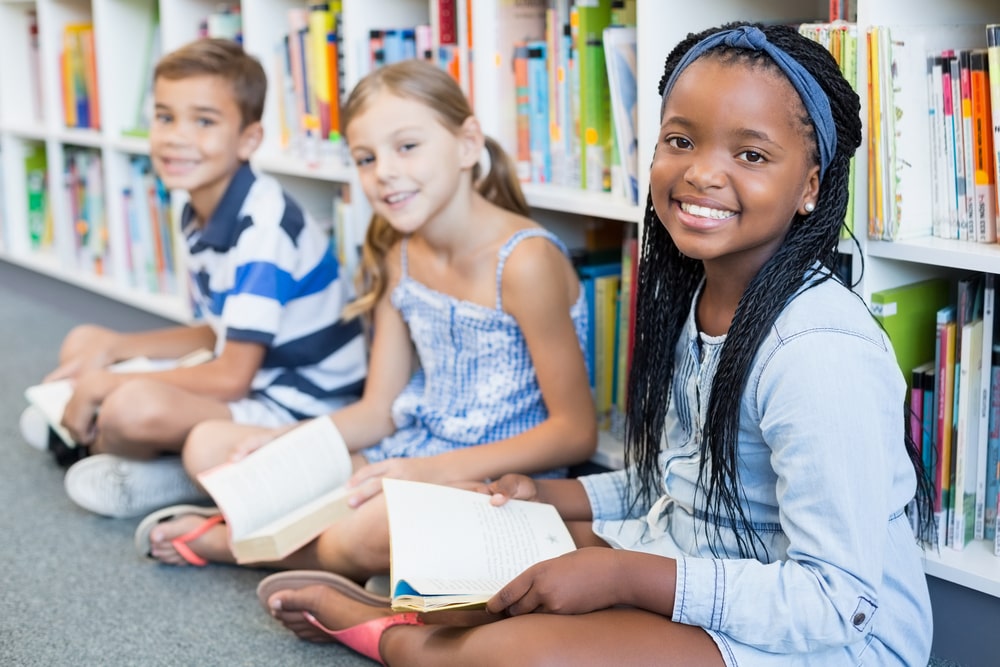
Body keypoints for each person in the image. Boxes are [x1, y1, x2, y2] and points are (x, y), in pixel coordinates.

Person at [256, 22, 936, 667]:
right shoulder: (699, 297)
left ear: (811, 184)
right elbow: (681, 487)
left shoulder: (818, 351)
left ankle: (389, 636)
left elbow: (837, 601)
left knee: (522, 652)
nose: (701, 173)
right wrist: (549, 497)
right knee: (494, 572)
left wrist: (622, 575)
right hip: (697, 558)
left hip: (831, 642)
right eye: (680, 141)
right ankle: (413, 618)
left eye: (750, 154)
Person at [136, 59, 597, 574]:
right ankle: (298, 535)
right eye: (365, 158)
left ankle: (224, 542)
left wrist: (425, 472)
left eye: (407, 147)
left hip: (495, 474)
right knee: (212, 445)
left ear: (467, 143)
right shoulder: (398, 257)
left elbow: (575, 433)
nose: (385, 174)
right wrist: (287, 443)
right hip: (407, 448)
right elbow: (377, 410)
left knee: (366, 527)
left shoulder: (526, 261)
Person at [27, 38, 367, 519]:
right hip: (250, 372)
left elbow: (232, 375)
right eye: (165, 117)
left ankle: (173, 474)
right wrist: (113, 351)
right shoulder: (197, 207)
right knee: (87, 340)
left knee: (130, 409)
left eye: (204, 121)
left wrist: (107, 385)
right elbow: (224, 328)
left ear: (249, 139)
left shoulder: (264, 227)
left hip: (295, 403)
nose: (175, 137)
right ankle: (107, 441)